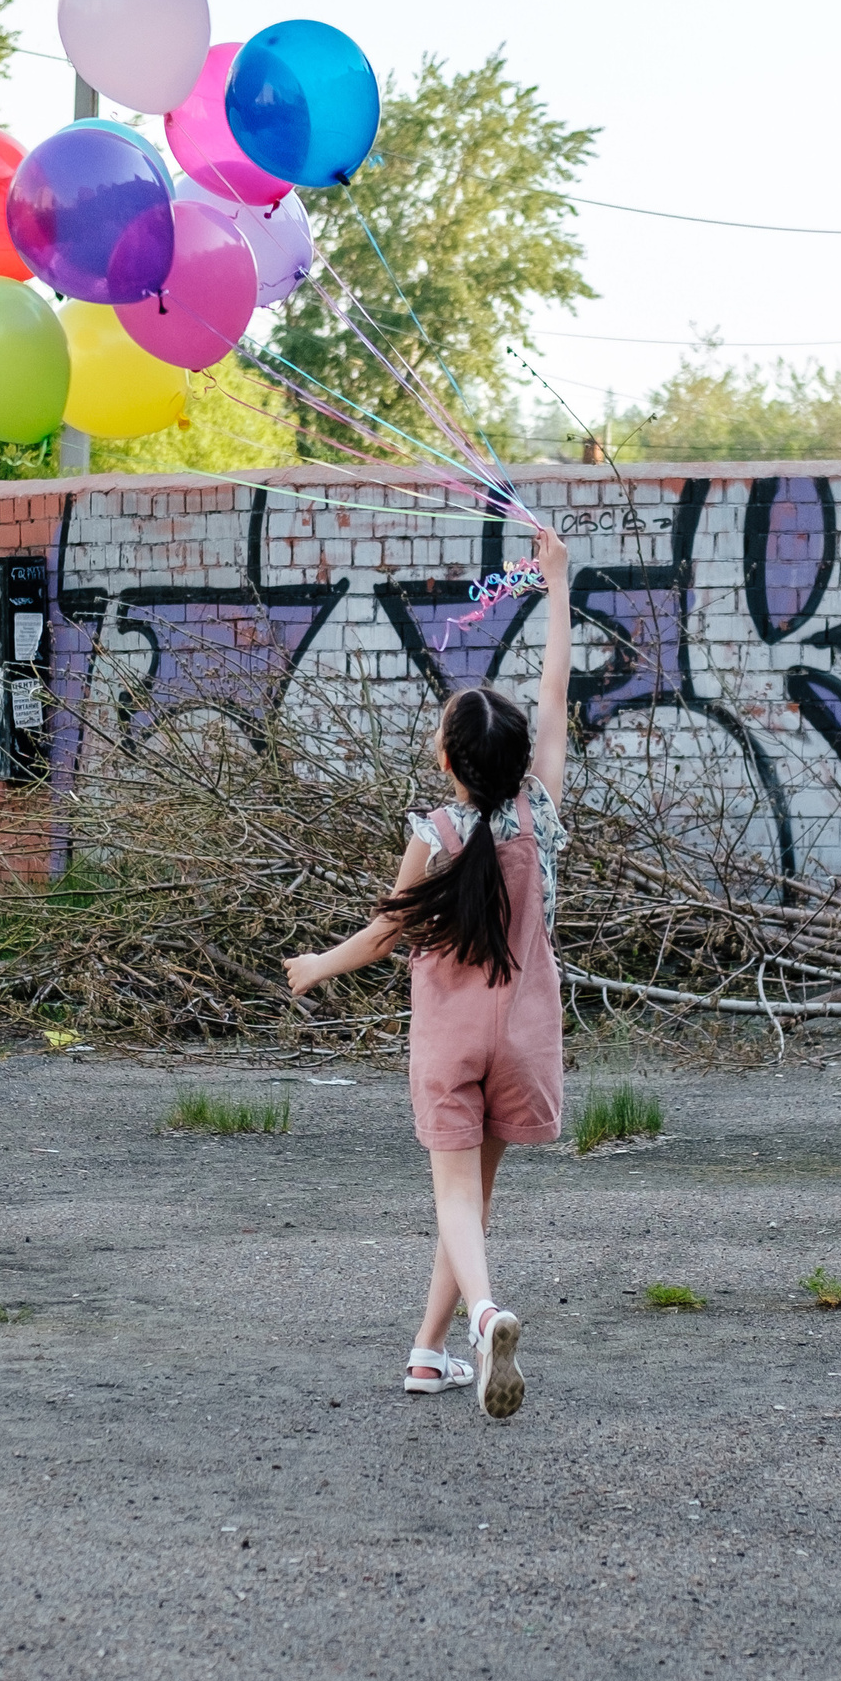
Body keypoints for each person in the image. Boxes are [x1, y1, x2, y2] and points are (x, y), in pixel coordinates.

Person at [285, 524, 573, 1420]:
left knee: (454, 1199)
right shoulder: (543, 813)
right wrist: (558, 587)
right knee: (473, 1205)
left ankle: (484, 1316)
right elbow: (558, 688)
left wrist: (314, 968)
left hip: (450, 1038)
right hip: (524, 1035)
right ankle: (428, 1352)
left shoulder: (434, 835)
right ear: (522, 761)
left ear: (446, 762)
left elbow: (383, 934)